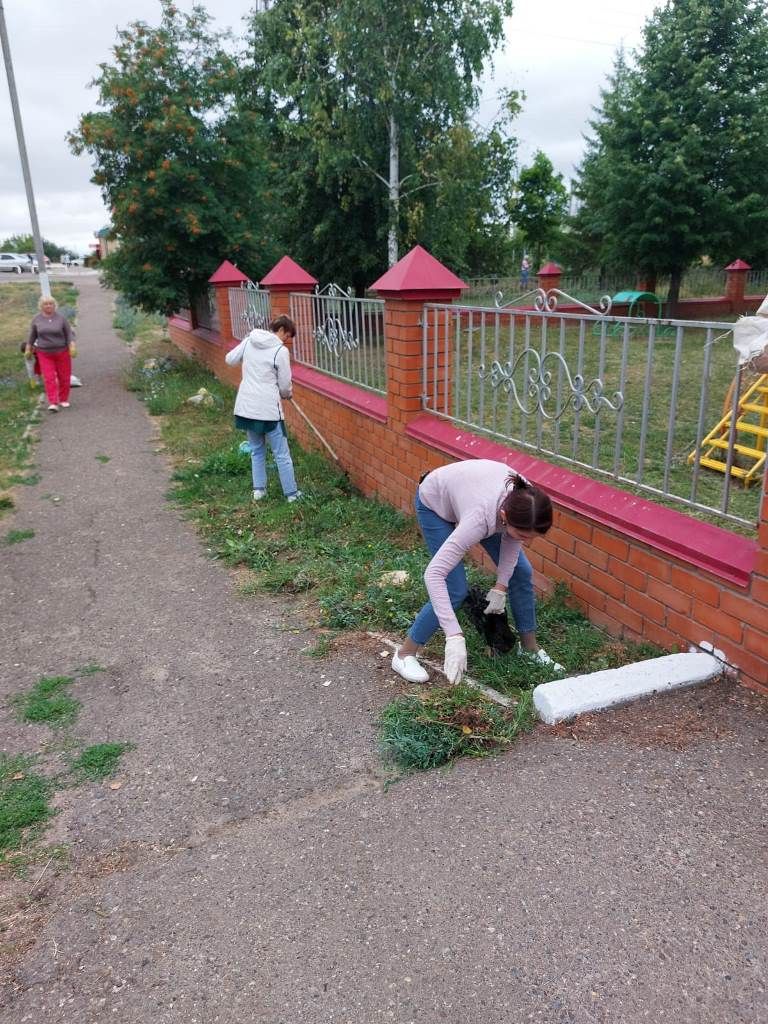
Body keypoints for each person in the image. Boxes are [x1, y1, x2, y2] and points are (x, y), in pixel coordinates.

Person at [391, 460, 564, 685]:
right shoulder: (480, 519)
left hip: (477, 501)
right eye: (524, 535)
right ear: (504, 516)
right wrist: (454, 635)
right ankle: (404, 654)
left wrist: (501, 587)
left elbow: (513, 540)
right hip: (435, 504)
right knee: (455, 589)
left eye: (532, 536)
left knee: (521, 571)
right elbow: (433, 575)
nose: (528, 542)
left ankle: (530, 649)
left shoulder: (527, 500)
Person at [225, 314, 302, 503]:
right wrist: (286, 394)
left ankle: (259, 491)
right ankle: (292, 494)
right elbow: (284, 385)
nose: (286, 341)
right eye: (287, 336)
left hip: (247, 407)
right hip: (268, 410)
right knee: (281, 453)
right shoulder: (280, 351)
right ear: (282, 330)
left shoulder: (250, 340)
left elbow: (230, 359)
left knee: (256, 450)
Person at [26, 295, 76, 412]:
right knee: (49, 378)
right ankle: (53, 402)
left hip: (62, 352)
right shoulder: (36, 319)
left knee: (64, 377)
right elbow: (32, 336)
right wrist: (28, 349)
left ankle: (63, 399)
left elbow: (69, 334)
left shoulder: (61, 319)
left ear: (54, 305)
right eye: (45, 304)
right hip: (44, 353)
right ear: (41, 306)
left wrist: (72, 346)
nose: (48, 306)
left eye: (50, 304)